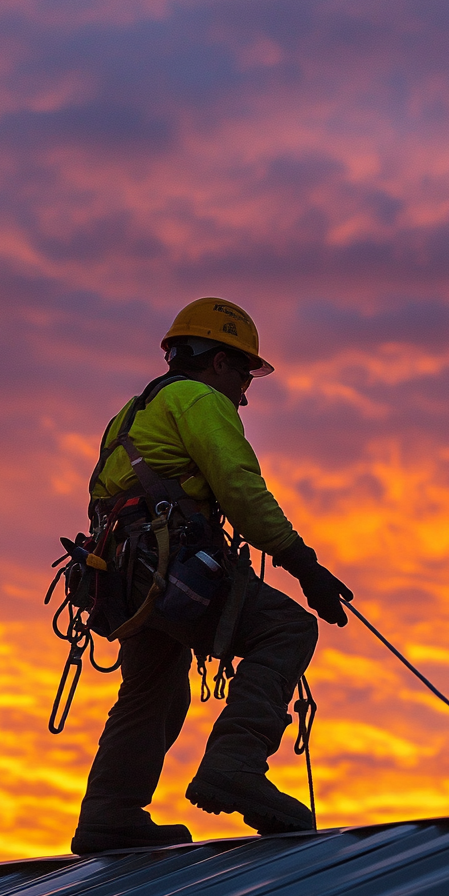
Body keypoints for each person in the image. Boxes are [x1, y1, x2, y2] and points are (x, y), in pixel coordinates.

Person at [70, 297, 352, 855]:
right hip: (164, 570)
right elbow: (242, 490)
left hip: (127, 578)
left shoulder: (131, 412)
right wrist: (305, 565)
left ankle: (111, 813)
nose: (246, 389)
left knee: (153, 688)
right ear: (217, 361)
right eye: (244, 371)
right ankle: (235, 767)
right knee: (287, 629)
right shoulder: (200, 399)